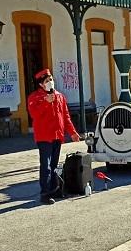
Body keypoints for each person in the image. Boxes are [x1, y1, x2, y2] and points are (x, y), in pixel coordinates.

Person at [27, 68, 80, 205]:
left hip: (57, 135)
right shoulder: (35, 98)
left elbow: (65, 116)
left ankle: (55, 189)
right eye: (46, 81)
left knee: (55, 165)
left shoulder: (60, 96)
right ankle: (45, 193)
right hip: (44, 137)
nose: (50, 82)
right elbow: (34, 115)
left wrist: (72, 132)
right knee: (46, 166)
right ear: (41, 84)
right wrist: (46, 102)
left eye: (51, 79)